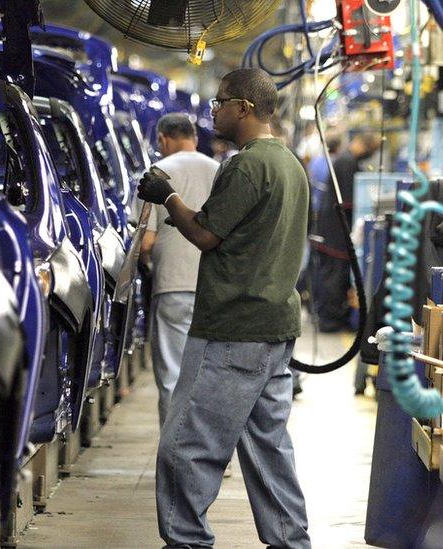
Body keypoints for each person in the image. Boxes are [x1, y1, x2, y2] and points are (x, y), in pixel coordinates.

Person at [139, 67, 311, 549]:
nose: (213, 110)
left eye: (219, 102)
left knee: (184, 449)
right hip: (274, 328)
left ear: (245, 108)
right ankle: (291, 542)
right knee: (268, 449)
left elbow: (206, 234)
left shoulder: (247, 164)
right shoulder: (290, 164)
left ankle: (187, 542)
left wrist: (166, 196)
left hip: (233, 329)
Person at [140, 113, 219, 427]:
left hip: (172, 284)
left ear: (162, 139)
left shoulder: (157, 173)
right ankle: (212, 456)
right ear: (195, 138)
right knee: (210, 378)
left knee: (173, 376)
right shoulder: (220, 171)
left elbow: (145, 241)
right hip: (214, 288)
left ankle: (175, 459)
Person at [310, 132, 379, 333]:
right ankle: (328, 320)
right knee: (334, 276)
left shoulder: (346, 161)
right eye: (371, 150)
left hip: (335, 229)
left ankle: (330, 317)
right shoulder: (347, 163)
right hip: (335, 231)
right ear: (361, 144)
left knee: (333, 275)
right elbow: (348, 201)